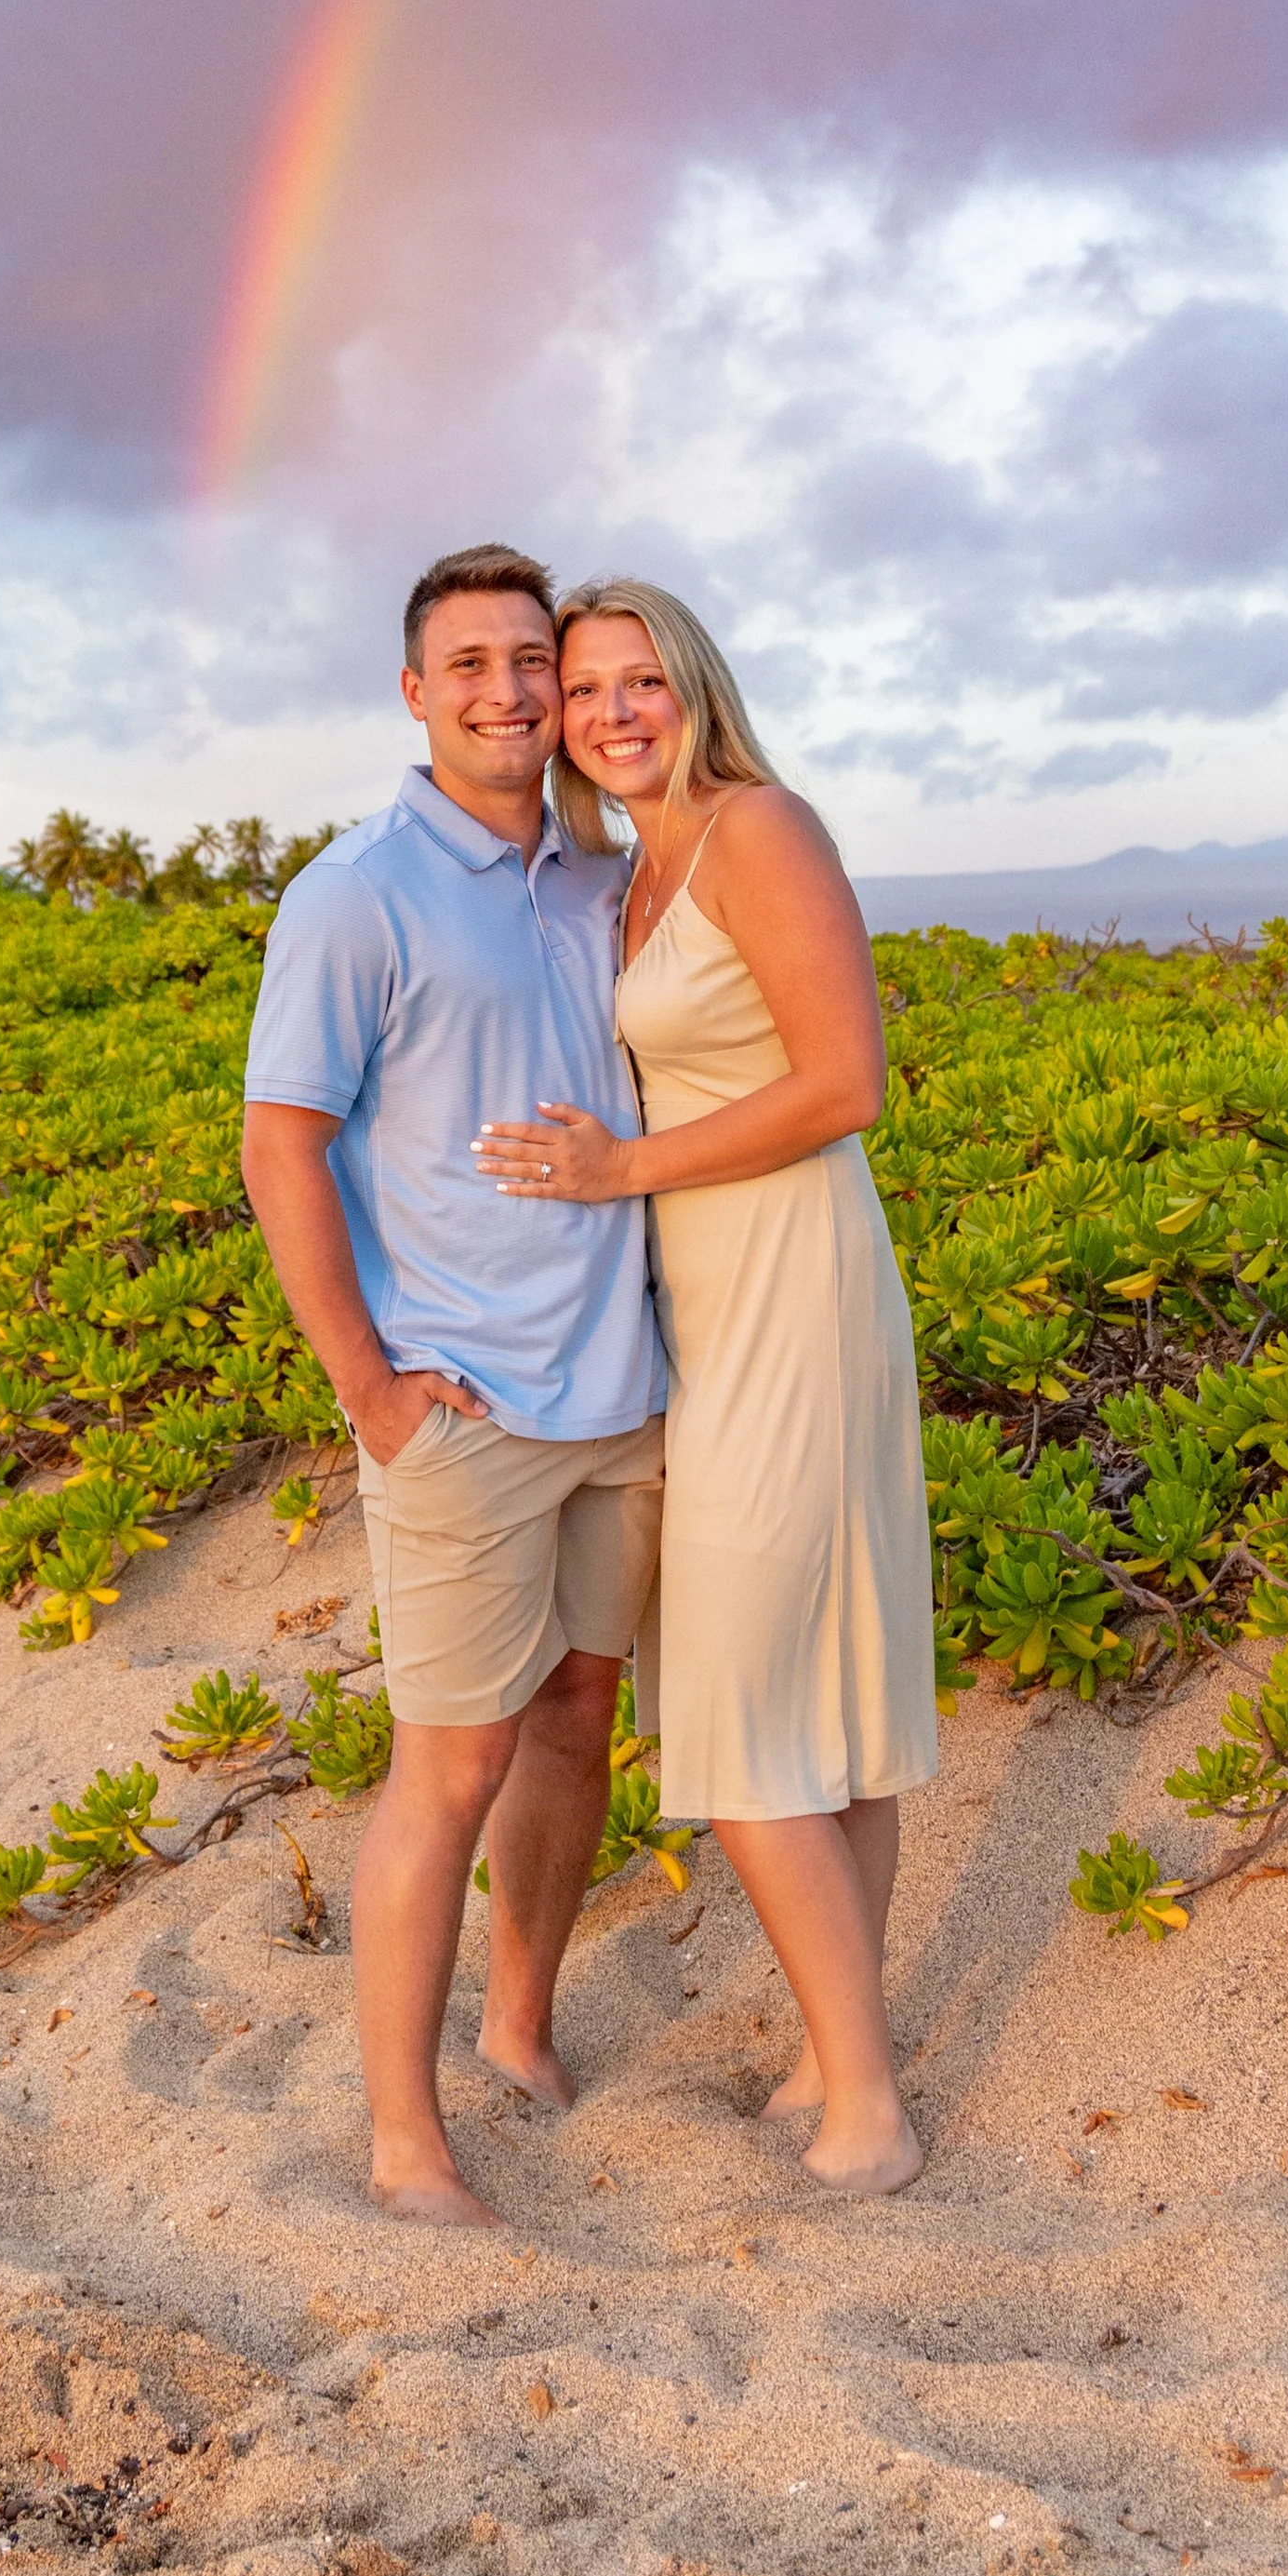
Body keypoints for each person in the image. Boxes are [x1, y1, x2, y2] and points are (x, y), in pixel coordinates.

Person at [472, 580, 936, 2196]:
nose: (610, 709)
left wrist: (623, 1172)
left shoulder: (757, 828)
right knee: (828, 1701)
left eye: (638, 679)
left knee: (741, 1718)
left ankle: (867, 2106)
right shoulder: (628, 868)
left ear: (695, 684)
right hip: (709, 1301)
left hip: (794, 1283)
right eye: (584, 687)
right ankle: (832, 2043)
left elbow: (845, 1080)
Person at [241, 543, 665, 2227]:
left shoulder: (597, 867)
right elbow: (282, 1143)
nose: (508, 689)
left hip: (619, 1392)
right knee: (451, 1766)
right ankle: (404, 2139)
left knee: (579, 1722)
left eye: (531, 661)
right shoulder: (356, 891)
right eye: (470, 663)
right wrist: (372, 1387)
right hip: (461, 1409)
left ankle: (521, 2023)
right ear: (415, 694)